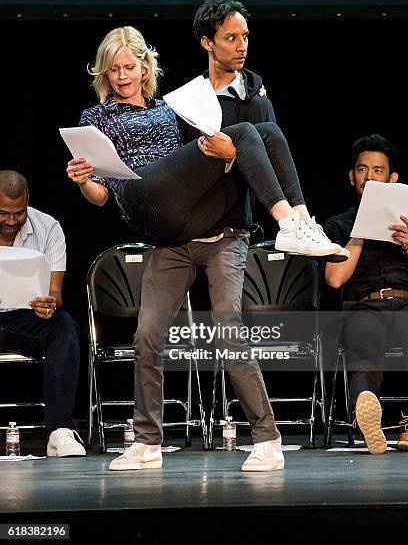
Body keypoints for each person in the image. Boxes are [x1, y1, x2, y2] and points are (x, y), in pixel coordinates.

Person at [67, 23, 344, 258]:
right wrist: (84, 182)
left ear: (144, 68)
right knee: (245, 132)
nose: (122, 76)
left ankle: (303, 223)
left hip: (180, 215)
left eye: (129, 67)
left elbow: (216, 110)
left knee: (266, 130)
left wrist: (255, 92)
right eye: (114, 69)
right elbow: (102, 197)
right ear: (104, 72)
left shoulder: (169, 106)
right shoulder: (96, 116)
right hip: (139, 196)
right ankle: (286, 222)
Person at [325, 134, 408, 453]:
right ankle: (365, 419)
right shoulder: (339, 225)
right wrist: (359, 233)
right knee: (365, 346)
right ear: (352, 176)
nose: (370, 177)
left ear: (392, 178)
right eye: (362, 170)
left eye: (378, 170)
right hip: (364, 307)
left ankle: (405, 426)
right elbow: (334, 280)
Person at [0, 170, 85, 457]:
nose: (11, 221)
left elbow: (56, 292)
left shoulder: (48, 228)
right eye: (3, 213)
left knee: (64, 326)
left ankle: (59, 431)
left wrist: (49, 303)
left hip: (25, 318)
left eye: (18, 213)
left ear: (28, 203)